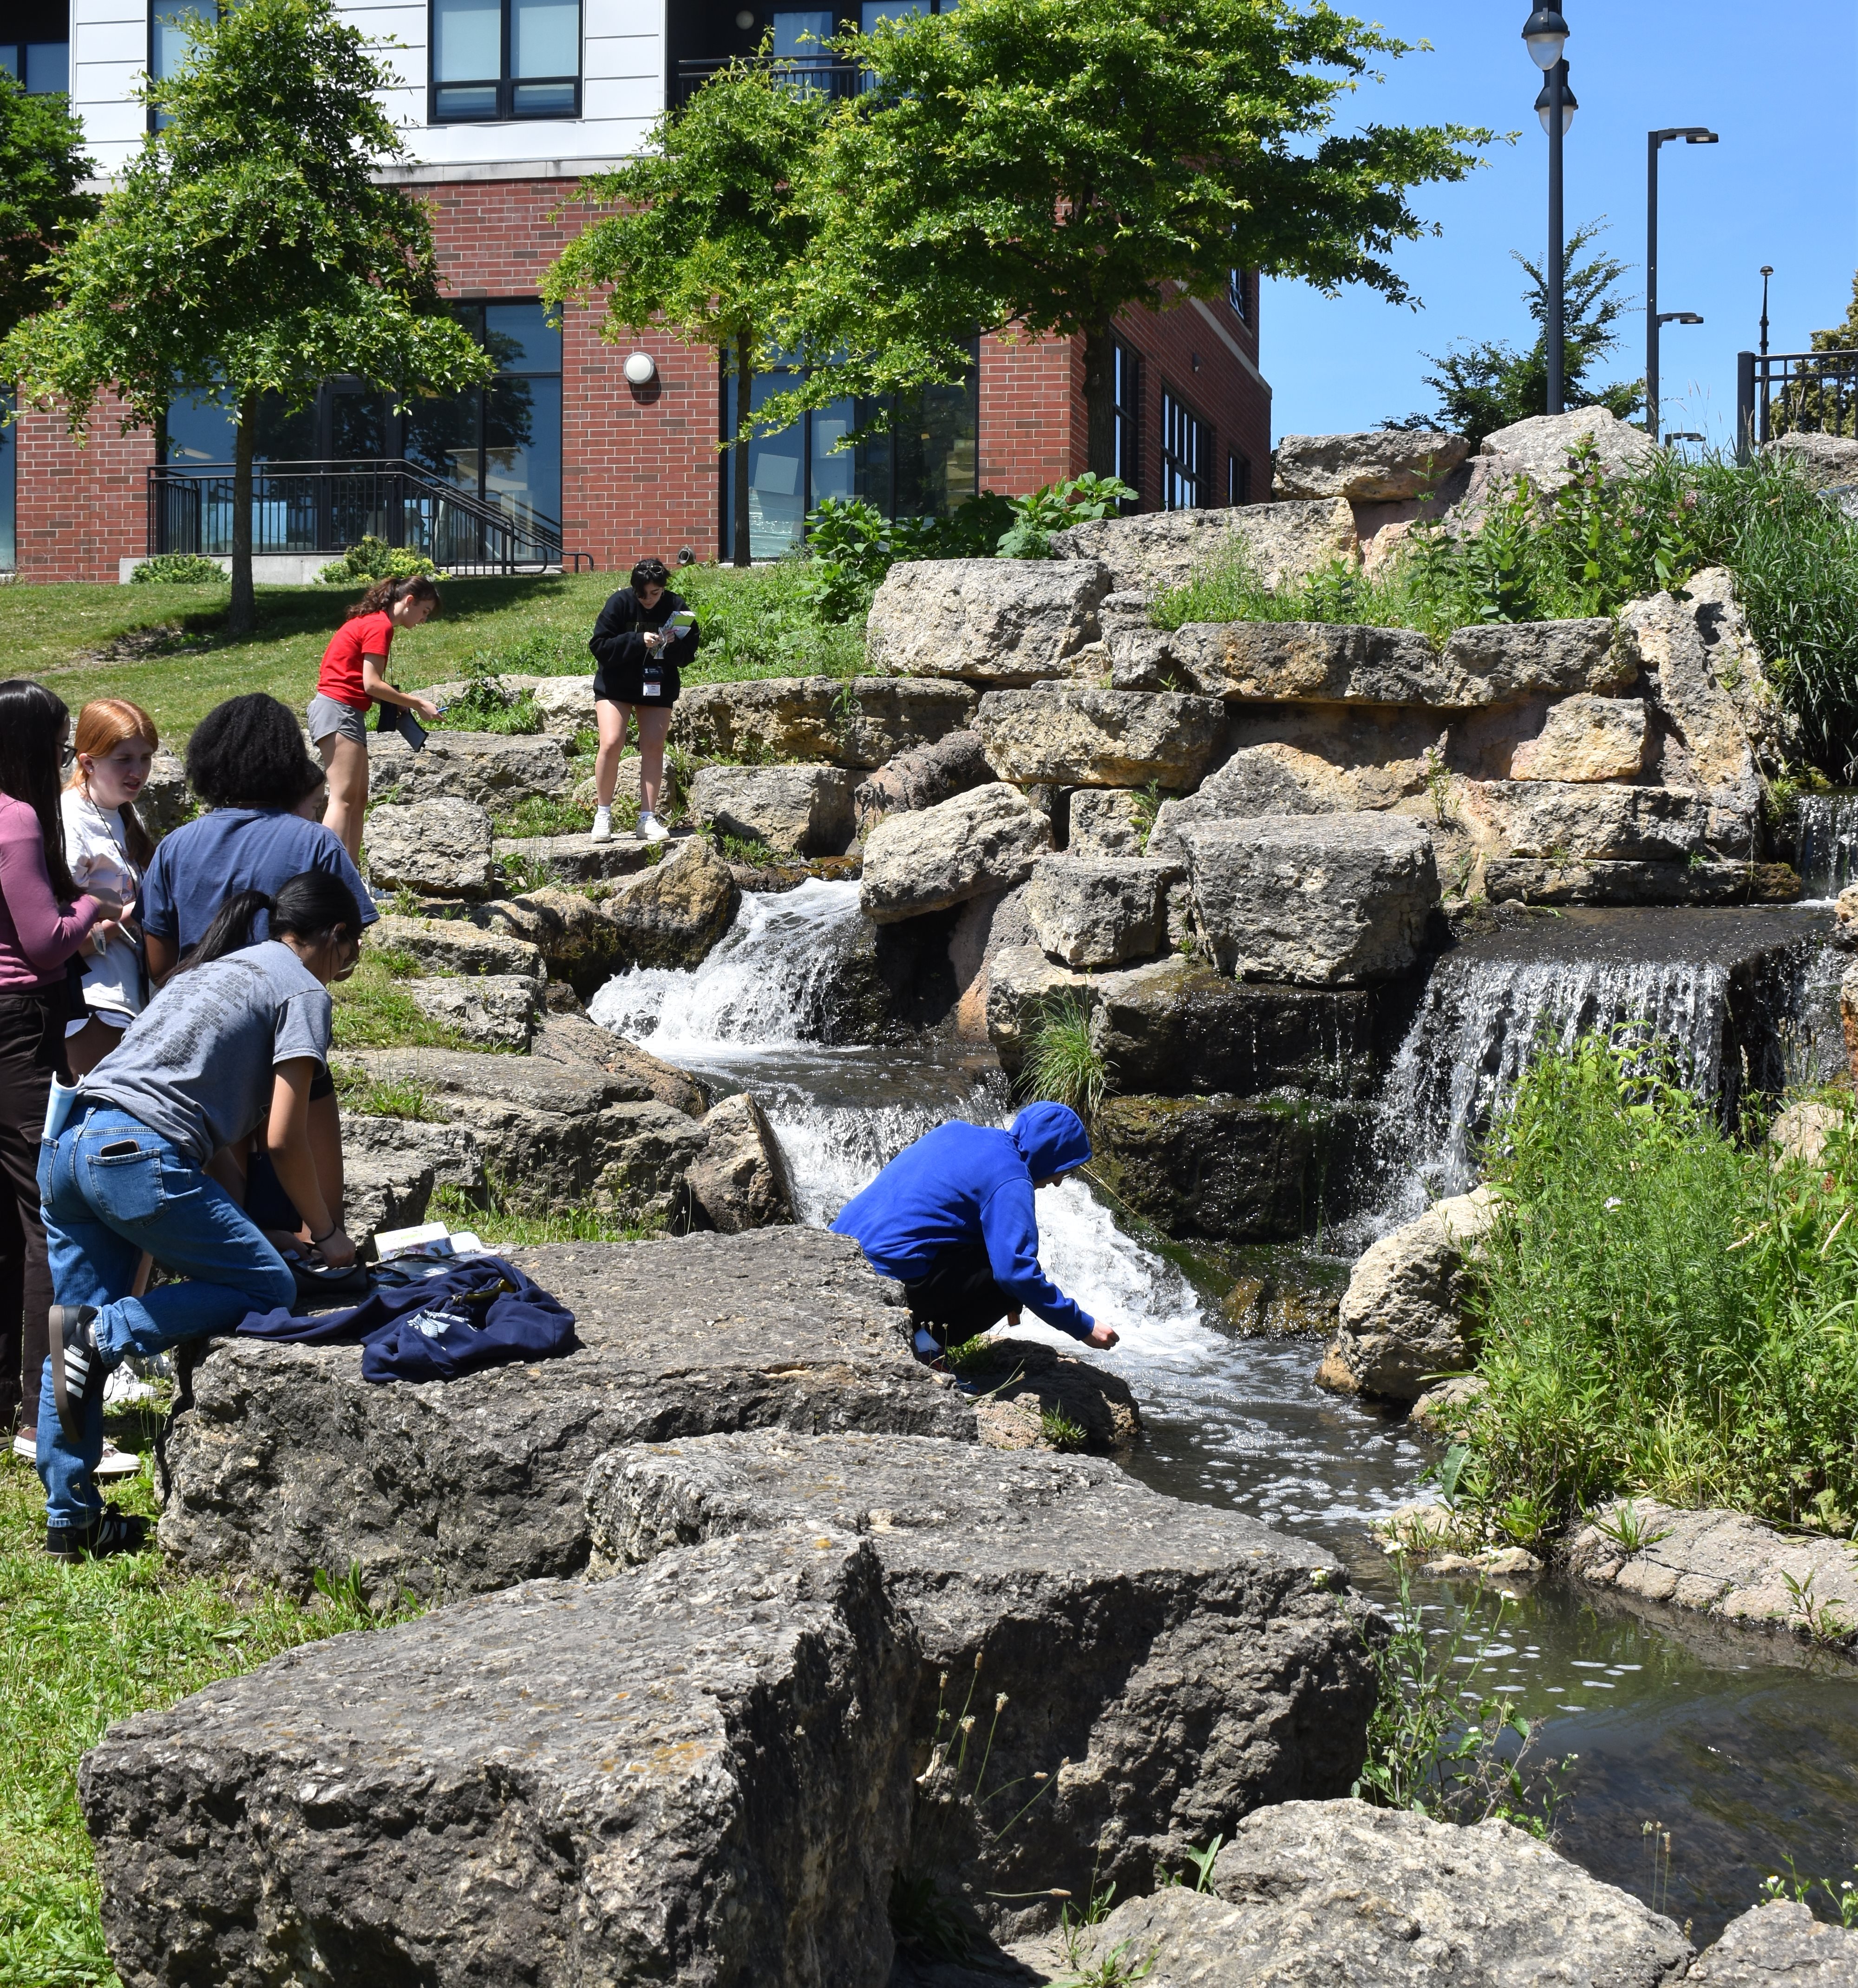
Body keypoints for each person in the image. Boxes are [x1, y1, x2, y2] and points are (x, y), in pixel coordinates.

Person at [35, 870, 363, 1561]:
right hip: (134, 1158)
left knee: (73, 1327)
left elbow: (206, 1139)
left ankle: (71, 1520)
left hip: (70, 1146)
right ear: (334, 938)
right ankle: (113, 1330)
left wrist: (253, 1231)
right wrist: (327, 1235)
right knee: (269, 1287)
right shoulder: (302, 990)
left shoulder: (209, 973)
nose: (347, 970)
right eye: (352, 953)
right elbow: (283, 1136)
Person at [139, 694, 372, 1245]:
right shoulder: (315, 842)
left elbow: (158, 964)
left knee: (226, 1227)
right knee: (317, 1224)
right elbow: (341, 956)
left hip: (200, 1057)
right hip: (287, 1046)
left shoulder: (174, 846)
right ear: (286, 759)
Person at [0, 681, 113, 1464]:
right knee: (49, 1215)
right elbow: (42, 943)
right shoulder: (16, 821)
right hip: (18, 1028)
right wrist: (96, 906)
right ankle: (48, 1409)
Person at [831, 1102, 1120, 1356]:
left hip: (836, 1259)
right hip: (885, 1284)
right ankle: (923, 1349)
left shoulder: (957, 1132)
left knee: (990, 1248)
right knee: (1006, 1286)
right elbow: (1015, 1274)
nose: (1058, 1182)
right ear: (1050, 1156)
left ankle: (920, 1341)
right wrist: (1082, 1326)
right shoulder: (1012, 1178)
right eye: (1064, 1170)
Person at [308, 574, 443, 864]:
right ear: (410, 601)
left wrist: (397, 703)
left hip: (346, 711)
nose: (424, 620)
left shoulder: (373, 623)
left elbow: (362, 682)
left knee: (357, 801)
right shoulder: (379, 627)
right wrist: (418, 703)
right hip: (338, 710)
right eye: (425, 612)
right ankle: (323, 879)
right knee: (343, 800)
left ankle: (351, 878)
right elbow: (371, 684)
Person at [60, 698, 157, 1081]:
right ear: (88, 762)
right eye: (124, 759)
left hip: (128, 999)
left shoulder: (124, 811)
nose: (139, 771)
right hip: (90, 1005)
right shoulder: (70, 820)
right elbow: (60, 942)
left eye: (146, 757)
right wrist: (131, 916)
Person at [587, 556, 700, 845]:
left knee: (653, 745)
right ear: (633, 589)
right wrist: (637, 640)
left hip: (656, 686)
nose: (648, 599)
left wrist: (671, 645)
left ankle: (647, 818)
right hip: (616, 685)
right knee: (612, 742)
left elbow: (688, 657)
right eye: (642, 593)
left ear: (663, 589)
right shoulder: (619, 603)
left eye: (655, 593)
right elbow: (599, 646)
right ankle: (603, 814)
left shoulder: (677, 607)